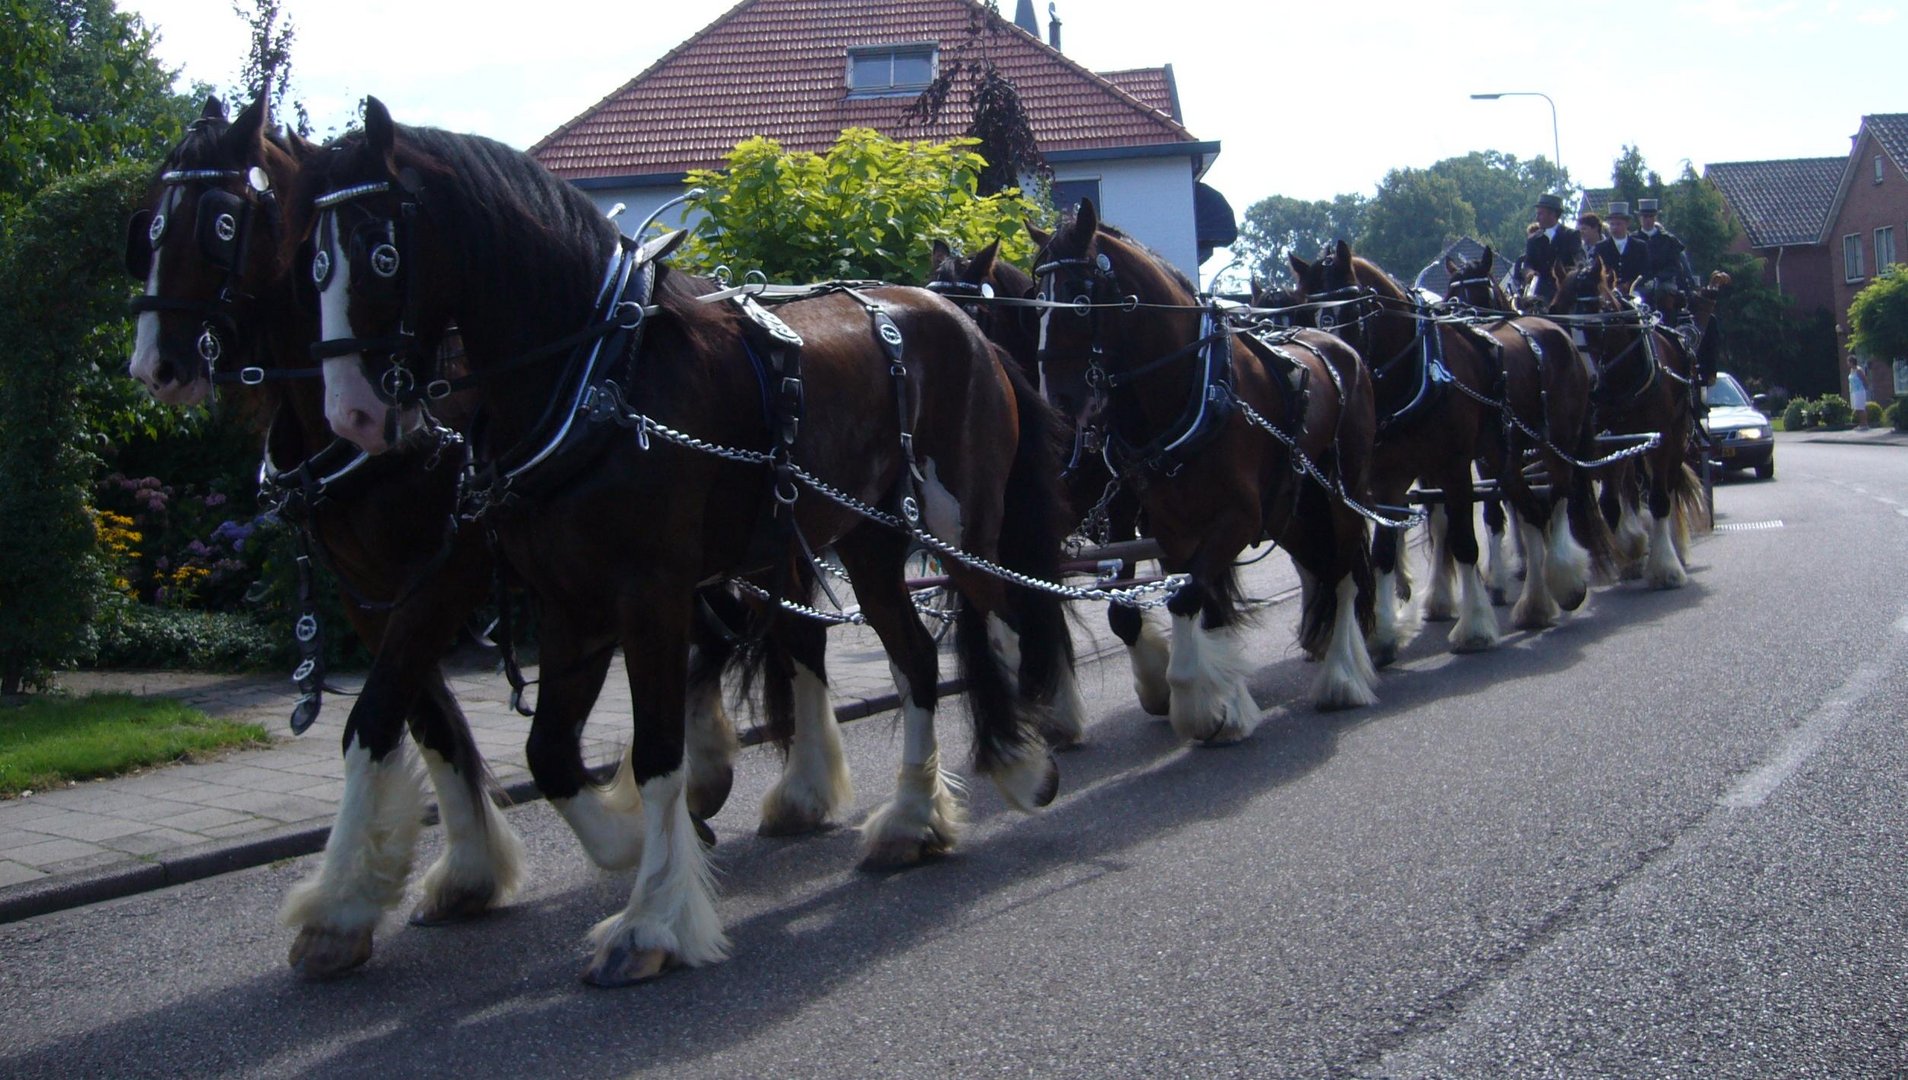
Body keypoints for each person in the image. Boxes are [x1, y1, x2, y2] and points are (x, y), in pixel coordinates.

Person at [1523, 192, 1583, 304]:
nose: (1537, 218)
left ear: (1552, 214)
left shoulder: (1571, 235)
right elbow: (1528, 263)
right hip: (1539, 293)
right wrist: (1529, 272)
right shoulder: (1533, 240)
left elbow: (1579, 260)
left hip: (1565, 292)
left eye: (1540, 214)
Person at [1635, 198, 1691, 305]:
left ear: (1655, 217)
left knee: (1664, 294)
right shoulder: (1632, 240)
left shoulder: (1668, 240)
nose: (1647, 220)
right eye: (1645, 216)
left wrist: (1658, 278)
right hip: (1639, 284)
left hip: (1664, 283)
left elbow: (1675, 267)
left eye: (1651, 216)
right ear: (1639, 218)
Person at [1594, 201, 1650, 290]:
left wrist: (1630, 284)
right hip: (1609, 291)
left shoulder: (1640, 246)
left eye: (1618, 224)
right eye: (1612, 224)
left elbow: (1646, 272)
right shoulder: (1600, 247)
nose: (1615, 227)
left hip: (1635, 290)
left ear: (1627, 224)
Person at [1849, 356, 1870, 429]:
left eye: (1849, 362)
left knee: (1861, 408)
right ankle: (1861, 424)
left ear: (1852, 362)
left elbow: (1864, 379)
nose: (1848, 363)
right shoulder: (1852, 370)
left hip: (1860, 391)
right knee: (1857, 409)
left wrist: (1866, 388)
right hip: (1854, 391)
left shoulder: (1859, 370)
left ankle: (1865, 424)